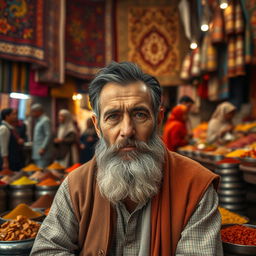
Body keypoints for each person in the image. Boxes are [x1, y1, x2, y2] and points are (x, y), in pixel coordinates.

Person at [31, 62, 223, 255]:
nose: (127, 131)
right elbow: (47, 250)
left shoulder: (196, 186)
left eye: (140, 114)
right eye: (113, 116)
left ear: (158, 120)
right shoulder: (76, 185)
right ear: (97, 126)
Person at [30, 104, 53, 168]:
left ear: (38, 111)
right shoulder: (38, 121)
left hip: (43, 152)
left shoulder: (45, 120)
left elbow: (48, 135)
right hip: (37, 152)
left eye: (33, 112)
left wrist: (43, 147)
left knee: (41, 172)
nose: (32, 114)